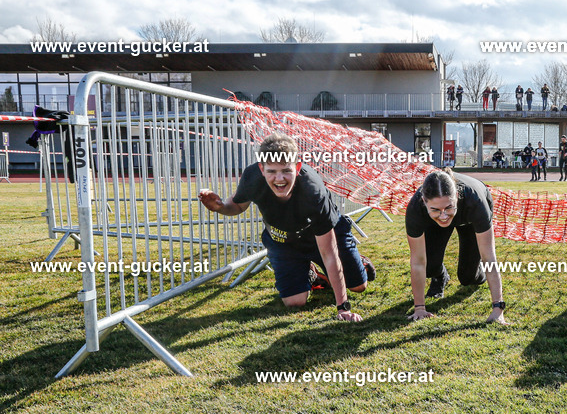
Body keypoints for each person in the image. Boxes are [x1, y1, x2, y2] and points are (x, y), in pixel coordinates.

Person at [198, 132, 372, 322]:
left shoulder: (312, 190)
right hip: (283, 241)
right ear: (261, 169)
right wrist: (220, 208)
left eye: (286, 170)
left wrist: (343, 308)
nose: (279, 179)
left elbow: (329, 253)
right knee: (294, 303)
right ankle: (311, 274)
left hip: (323, 236)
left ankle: (356, 262)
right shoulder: (252, 177)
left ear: (297, 167)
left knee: (358, 286)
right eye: (271, 171)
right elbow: (238, 205)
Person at [406, 169, 506, 324]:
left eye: (448, 207)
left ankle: (475, 268)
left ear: (456, 197)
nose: (444, 215)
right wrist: (419, 308)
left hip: (469, 216)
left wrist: (497, 308)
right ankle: (440, 276)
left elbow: (489, 257)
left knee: (467, 277)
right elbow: (418, 262)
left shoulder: (475, 202)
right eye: (435, 209)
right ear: (424, 201)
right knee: (428, 267)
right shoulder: (415, 209)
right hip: (438, 221)